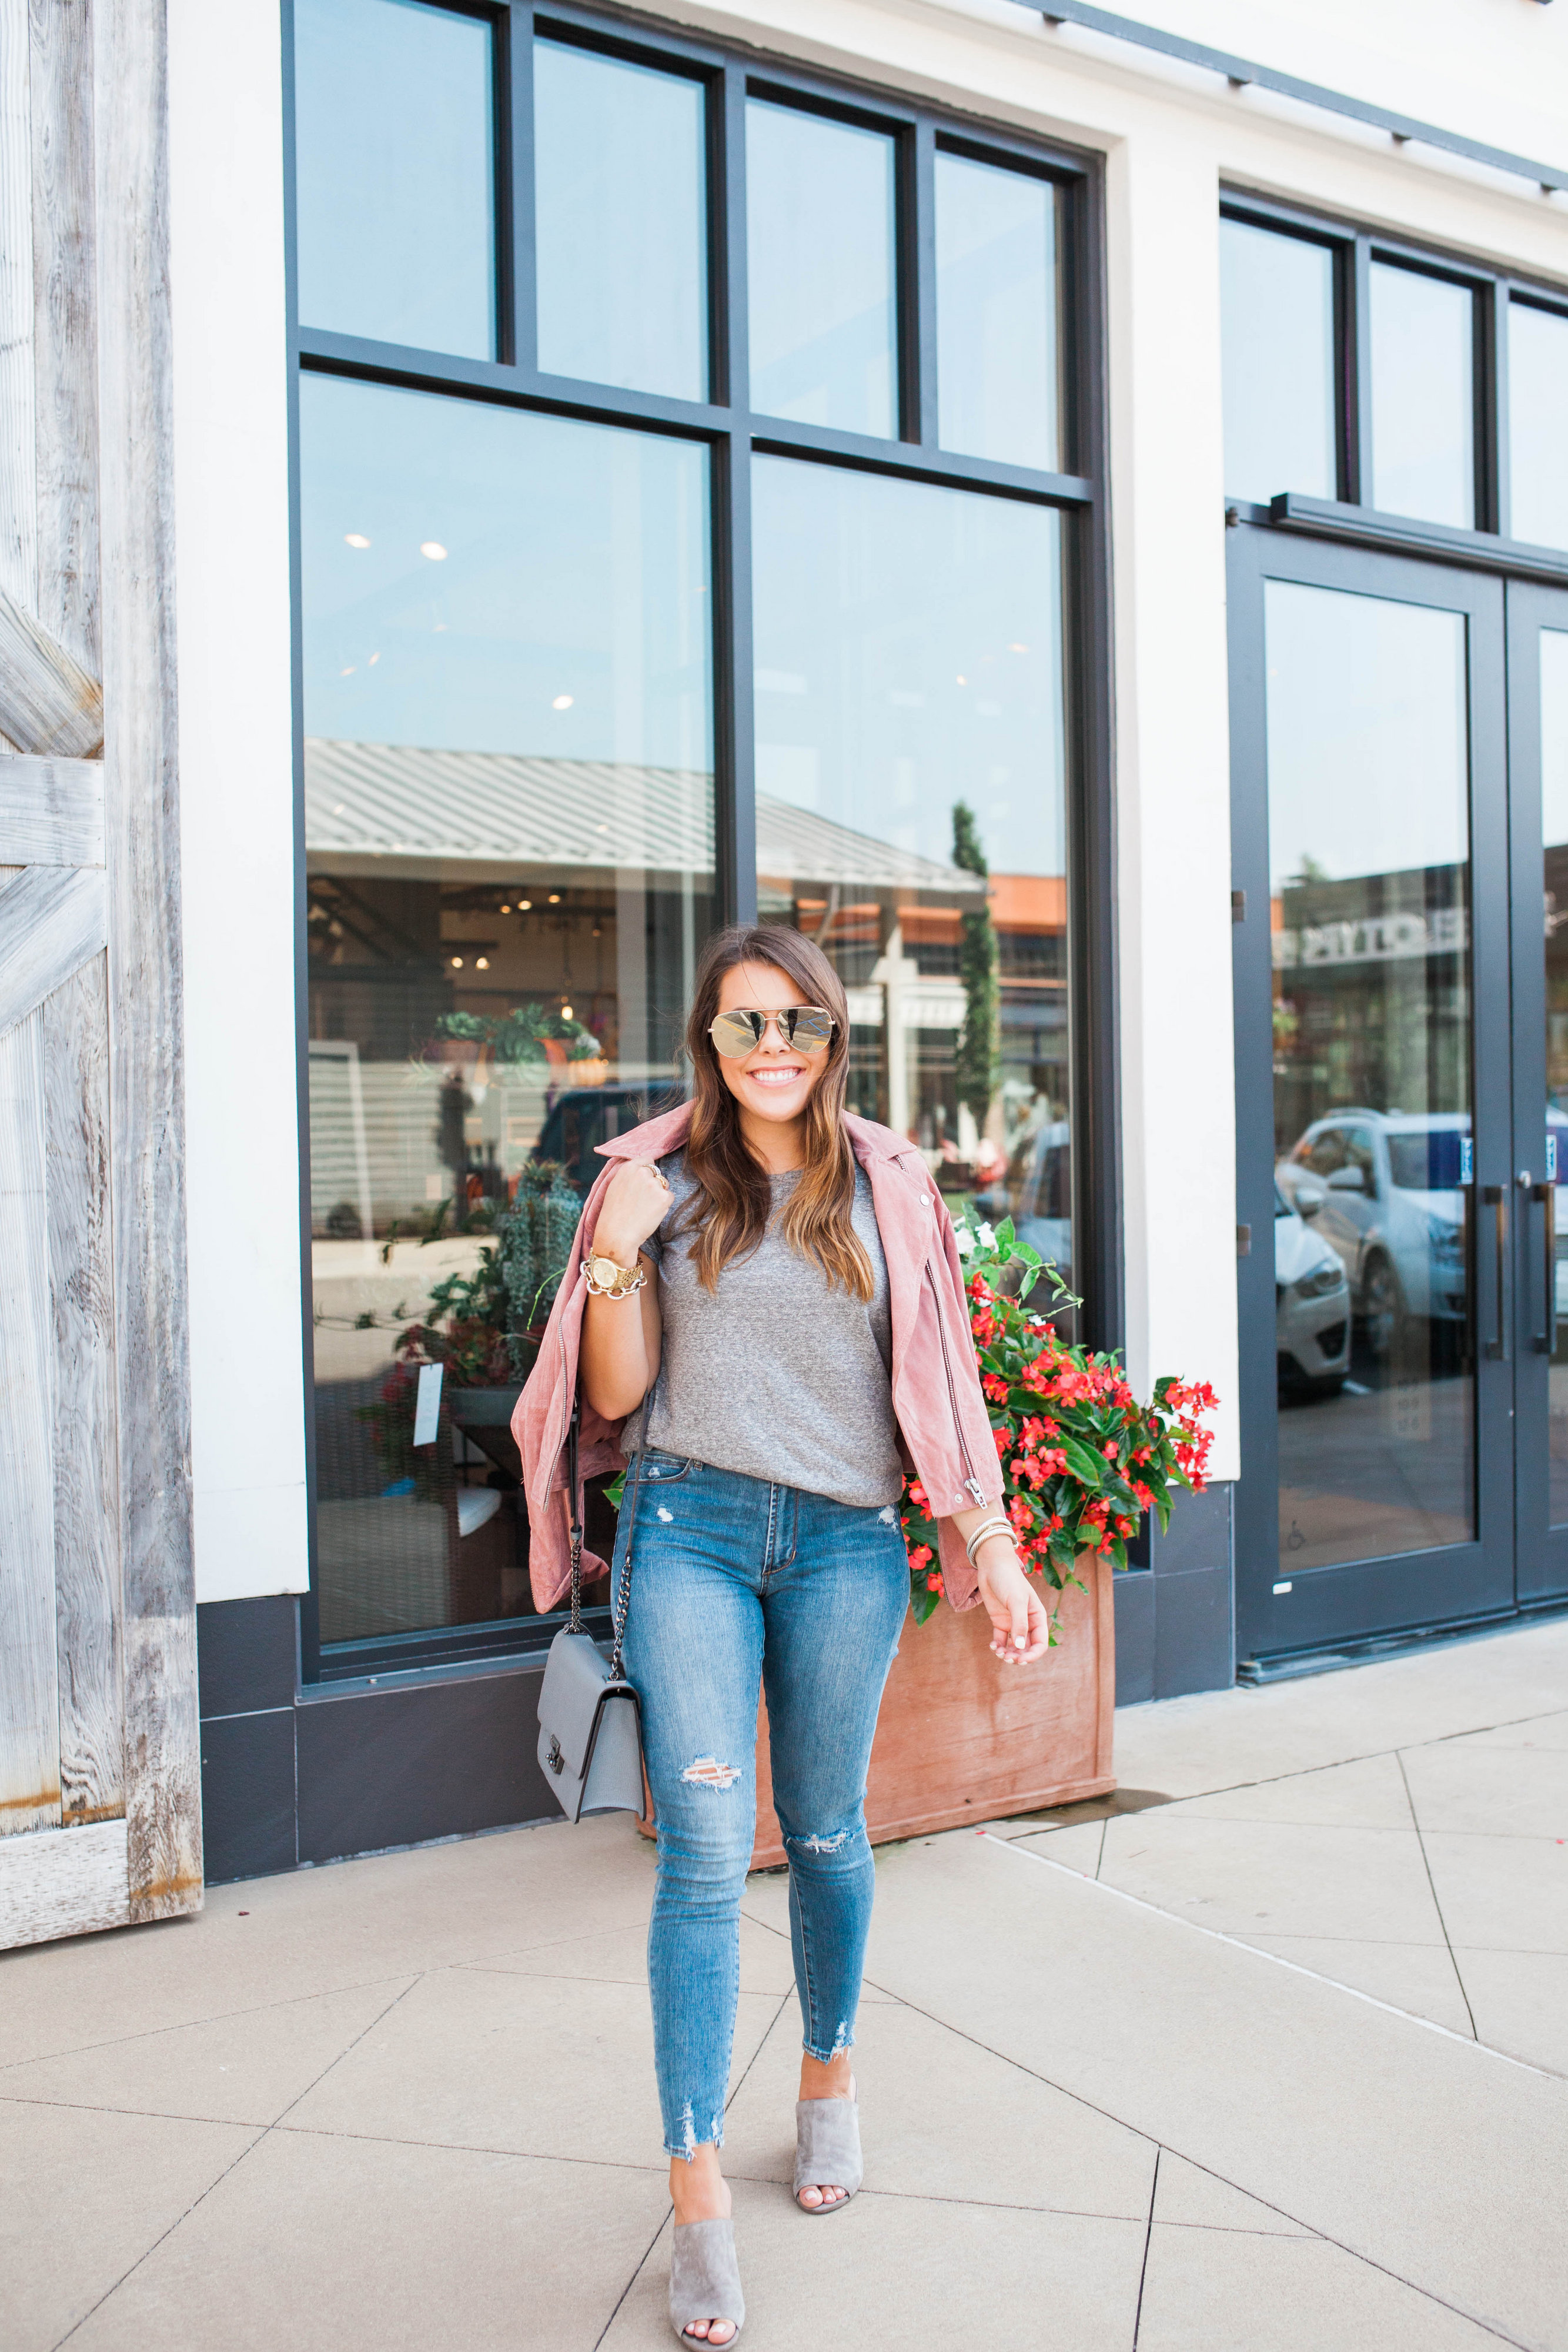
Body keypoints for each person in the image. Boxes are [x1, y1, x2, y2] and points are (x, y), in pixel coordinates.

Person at [516, 924, 1049, 2347]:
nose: (772, 1047)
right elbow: (618, 1394)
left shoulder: (887, 1181)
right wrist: (616, 1256)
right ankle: (695, 2182)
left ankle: (825, 2074)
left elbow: (942, 1377)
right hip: (687, 1528)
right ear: (709, 1034)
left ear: (830, 1041)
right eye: (746, 1022)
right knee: (701, 1850)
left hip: (845, 1544)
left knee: (821, 1827)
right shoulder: (657, 1179)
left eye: (798, 1024)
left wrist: (986, 1537)